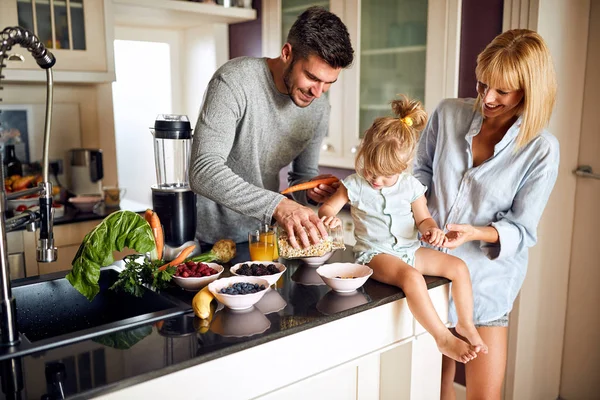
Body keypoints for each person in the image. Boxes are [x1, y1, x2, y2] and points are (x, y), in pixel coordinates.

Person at [412, 29, 559, 399]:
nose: (487, 98)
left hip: (485, 285)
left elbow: (522, 230)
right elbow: (417, 175)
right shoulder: (447, 114)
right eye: (482, 84)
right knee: (431, 390)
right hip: (426, 274)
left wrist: (476, 233)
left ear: (529, 90)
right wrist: (423, 218)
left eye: (502, 91)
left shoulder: (541, 149)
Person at [318, 96, 488, 364]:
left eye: (385, 175)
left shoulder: (410, 186)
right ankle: (442, 337)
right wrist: (330, 218)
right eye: (371, 170)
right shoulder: (354, 184)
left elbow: (423, 220)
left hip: (410, 249)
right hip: (375, 254)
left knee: (458, 267)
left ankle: (465, 324)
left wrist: (432, 230)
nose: (376, 180)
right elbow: (327, 208)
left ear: (402, 167)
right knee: (411, 278)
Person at [188, 6, 353, 248]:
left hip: (266, 238)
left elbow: (301, 177)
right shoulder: (234, 81)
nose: (318, 92)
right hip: (208, 240)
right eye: (312, 77)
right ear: (287, 53)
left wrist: (309, 192)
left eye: (329, 83)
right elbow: (203, 170)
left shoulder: (319, 109)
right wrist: (278, 206)